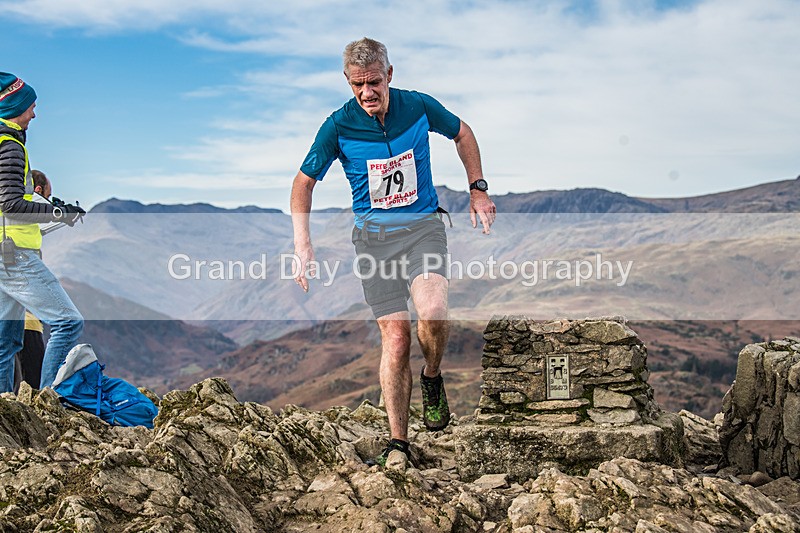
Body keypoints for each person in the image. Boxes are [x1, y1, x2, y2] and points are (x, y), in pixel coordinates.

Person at [290, 38, 496, 467]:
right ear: (348, 82)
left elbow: (463, 133)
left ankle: (433, 378)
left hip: (423, 229)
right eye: (358, 85)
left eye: (375, 82)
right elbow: (303, 183)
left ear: (390, 76)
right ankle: (398, 441)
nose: (368, 92)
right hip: (374, 243)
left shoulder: (417, 106)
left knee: (434, 310)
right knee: (397, 339)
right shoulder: (337, 126)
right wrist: (303, 243)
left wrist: (477, 189)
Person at [0, 72, 86, 393]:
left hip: (3, 255)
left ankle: (7, 418)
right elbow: (10, 204)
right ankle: (46, 401)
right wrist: (57, 212)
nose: (34, 114)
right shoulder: (9, 146)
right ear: (14, 106)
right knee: (68, 321)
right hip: (15, 255)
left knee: (6, 343)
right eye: (31, 107)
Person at [11, 170, 52, 391]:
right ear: (38, 191)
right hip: (27, 323)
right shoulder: (23, 233)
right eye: (48, 195)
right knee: (34, 390)